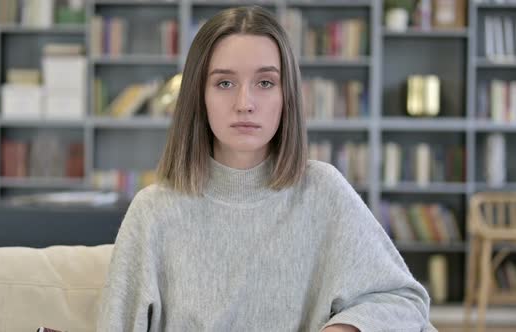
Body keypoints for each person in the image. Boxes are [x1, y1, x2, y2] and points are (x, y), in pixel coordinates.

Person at [98, 6, 437, 332]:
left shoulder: (323, 190)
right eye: (224, 83)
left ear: (286, 96)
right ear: (198, 96)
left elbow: (405, 301)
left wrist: (346, 327)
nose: (245, 103)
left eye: (265, 83)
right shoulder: (152, 212)